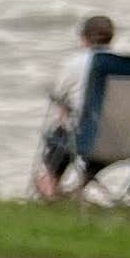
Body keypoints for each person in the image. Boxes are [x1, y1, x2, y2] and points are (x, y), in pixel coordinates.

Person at [32, 15, 114, 199]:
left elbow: (60, 98)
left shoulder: (76, 63)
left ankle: (51, 182)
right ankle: (81, 185)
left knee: (65, 128)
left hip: (84, 137)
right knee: (79, 126)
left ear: (83, 39)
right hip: (123, 140)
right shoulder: (124, 66)